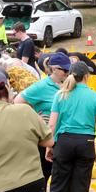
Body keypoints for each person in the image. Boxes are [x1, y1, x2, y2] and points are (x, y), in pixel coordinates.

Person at [46, 61, 96, 192]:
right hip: (85, 142)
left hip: (63, 142)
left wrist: (50, 146)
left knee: (57, 188)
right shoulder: (95, 97)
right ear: (87, 76)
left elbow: (52, 124)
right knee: (79, 188)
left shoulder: (60, 95)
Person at [15, 52, 71, 181]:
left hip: (64, 137)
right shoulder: (41, 86)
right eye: (65, 70)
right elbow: (17, 102)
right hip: (46, 138)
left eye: (69, 70)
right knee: (44, 177)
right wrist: (35, 118)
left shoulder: (68, 85)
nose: (68, 73)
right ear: (54, 69)